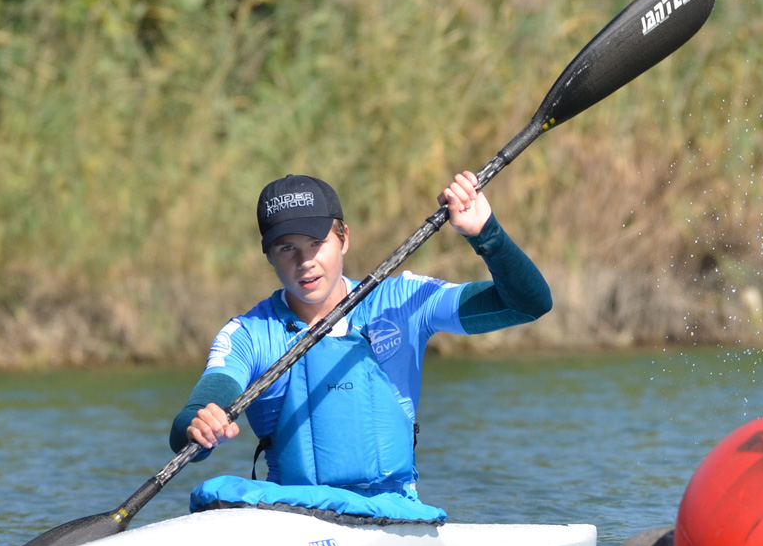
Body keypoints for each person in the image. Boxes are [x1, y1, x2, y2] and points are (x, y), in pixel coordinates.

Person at [170, 170, 551, 523]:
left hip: (394, 516)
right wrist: (199, 427)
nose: (305, 262)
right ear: (268, 255)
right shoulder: (249, 333)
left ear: (344, 238)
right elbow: (192, 416)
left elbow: (528, 303)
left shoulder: (402, 301)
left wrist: (486, 232)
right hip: (290, 518)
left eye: (317, 243)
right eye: (287, 248)